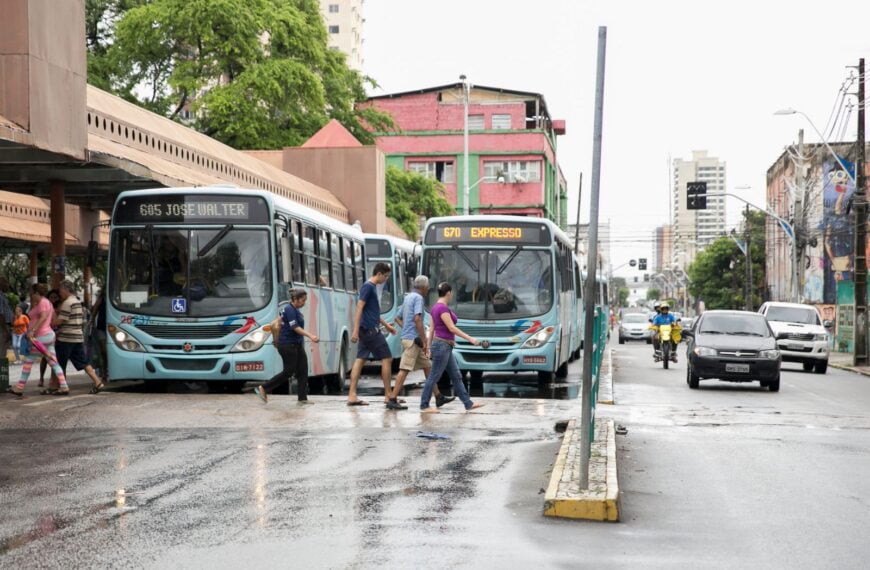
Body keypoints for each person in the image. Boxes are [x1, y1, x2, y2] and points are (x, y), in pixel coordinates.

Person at [386, 275, 454, 411]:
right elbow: (417, 319)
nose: (428, 289)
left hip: (410, 338)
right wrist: (423, 339)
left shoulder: (408, 297)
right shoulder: (418, 298)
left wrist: (407, 328)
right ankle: (392, 399)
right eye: (427, 286)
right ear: (423, 287)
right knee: (404, 369)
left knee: (428, 367)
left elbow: (397, 318)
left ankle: (438, 396)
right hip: (414, 341)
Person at [419, 282, 485, 413]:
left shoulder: (434, 308)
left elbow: (432, 329)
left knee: (456, 375)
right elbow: (451, 327)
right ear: (448, 293)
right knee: (434, 376)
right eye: (451, 293)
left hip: (444, 346)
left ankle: (468, 403)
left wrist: (428, 346)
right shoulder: (442, 309)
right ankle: (424, 405)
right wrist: (470, 338)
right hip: (442, 346)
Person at [253, 288, 319, 404]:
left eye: (305, 300)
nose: (304, 303)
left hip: (296, 345)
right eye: (303, 300)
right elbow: (295, 328)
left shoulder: (293, 309)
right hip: (288, 345)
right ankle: (264, 387)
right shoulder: (289, 310)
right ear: (295, 299)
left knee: (303, 370)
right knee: (289, 371)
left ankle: (302, 398)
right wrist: (311, 336)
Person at [347, 262, 397, 406]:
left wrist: (387, 325)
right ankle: (388, 395)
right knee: (387, 358)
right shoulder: (368, 287)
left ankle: (352, 395)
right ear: (379, 274)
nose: (386, 279)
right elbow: (359, 308)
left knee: (360, 360)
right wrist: (355, 330)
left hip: (367, 329)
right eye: (386, 276)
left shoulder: (371, 287)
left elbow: (373, 312)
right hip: (369, 330)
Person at [9, 283, 69, 396]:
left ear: (36, 293)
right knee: (53, 362)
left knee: (28, 361)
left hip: (40, 337)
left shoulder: (42, 302)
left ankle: (20, 387)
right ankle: (64, 386)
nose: (30, 295)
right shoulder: (47, 303)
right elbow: (52, 319)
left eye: (31, 293)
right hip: (47, 336)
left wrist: (33, 330)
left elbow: (43, 317)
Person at [53, 280, 105, 393]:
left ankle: (63, 386)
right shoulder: (77, 301)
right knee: (84, 362)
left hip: (66, 338)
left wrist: (51, 322)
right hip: (77, 337)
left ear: (66, 290)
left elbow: (60, 321)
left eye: (61, 291)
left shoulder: (67, 303)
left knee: (60, 363)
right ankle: (98, 382)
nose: (60, 293)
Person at [38, 289, 62, 389]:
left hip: (57, 333)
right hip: (46, 334)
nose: (53, 299)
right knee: (45, 358)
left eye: (55, 297)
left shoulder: (60, 308)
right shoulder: (45, 307)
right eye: (51, 297)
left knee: (54, 357)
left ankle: (55, 380)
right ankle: (41, 378)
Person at [88, 291, 109, 384]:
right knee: (104, 352)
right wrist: (91, 320)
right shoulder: (102, 299)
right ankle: (104, 373)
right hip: (102, 327)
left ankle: (106, 372)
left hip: (114, 327)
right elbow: (94, 310)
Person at [0, 277, 11, 362]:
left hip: (4, 326)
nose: (8, 286)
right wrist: (4, 331)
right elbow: (1, 314)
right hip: (2, 326)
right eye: (6, 283)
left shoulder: (3, 296)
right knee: (1, 353)